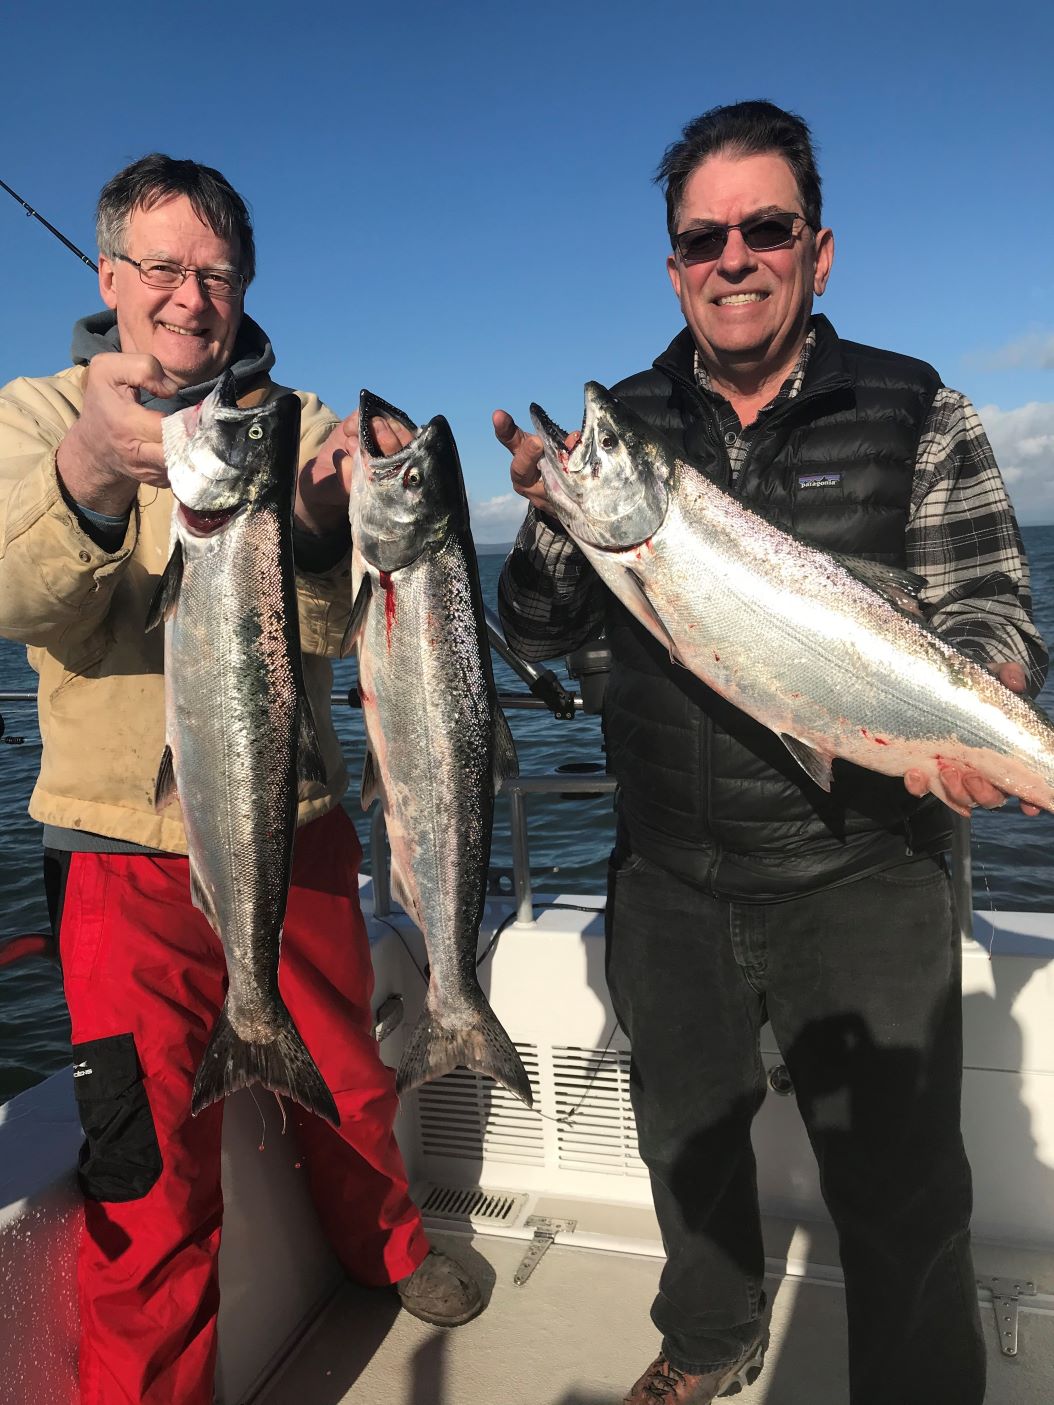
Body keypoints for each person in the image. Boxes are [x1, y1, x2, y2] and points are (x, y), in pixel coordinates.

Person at [494, 101, 1046, 1405]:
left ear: (818, 249)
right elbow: (536, 627)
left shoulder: (918, 408)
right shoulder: (619, 428)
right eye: (701, 237)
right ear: (673, 263)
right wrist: (556, 518)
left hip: (869, 876)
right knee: (684, 1147)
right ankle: (708, 1339)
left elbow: (987, 609)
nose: (731, 257)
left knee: (903, 1184)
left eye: (764, 228)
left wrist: (986, 705)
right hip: (670, 877)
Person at [0, 154, 481, 1405]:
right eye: (162, 266)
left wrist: (325, 521)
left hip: (297, 824)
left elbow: (335, 628)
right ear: (110, 277)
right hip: (115, 858)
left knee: (355, 1085)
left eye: (217, 272)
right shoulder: (37, 417)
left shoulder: (299, 422)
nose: (189, 295)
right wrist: (98, 474)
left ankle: (389, 1247)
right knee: (146, 1170)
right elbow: (19, 595)